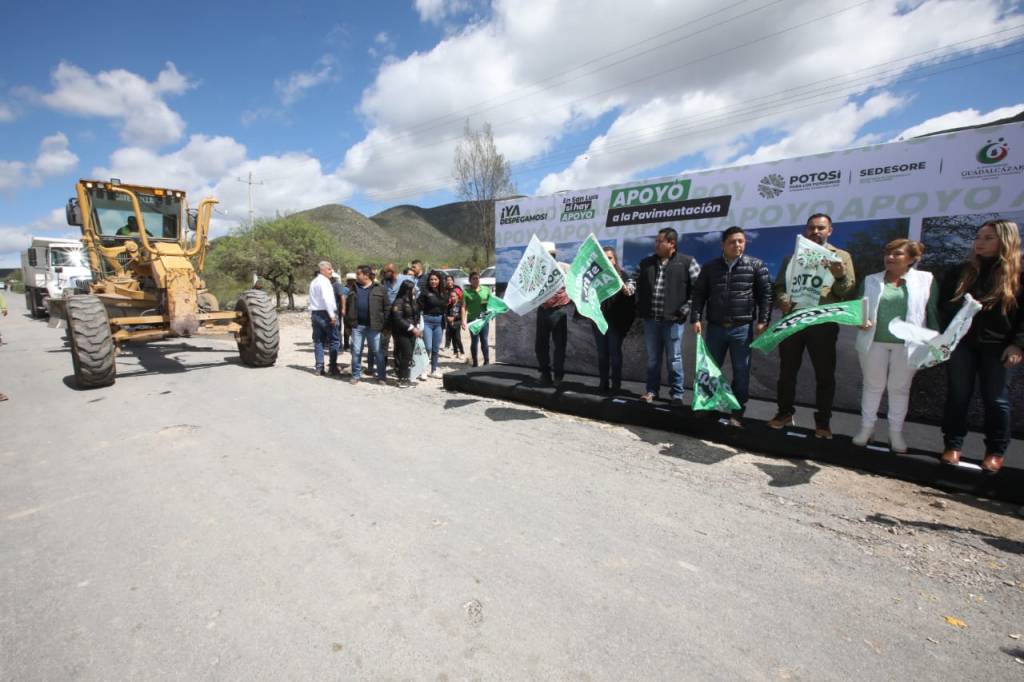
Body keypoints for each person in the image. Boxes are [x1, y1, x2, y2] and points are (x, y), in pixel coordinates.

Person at [938, 219, 1024, 472]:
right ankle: (952, 445)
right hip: (962, 343)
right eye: (978, 237)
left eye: (988, 238)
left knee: (996, 399)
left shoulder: (1018, 274)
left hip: (999, 346)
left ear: (1005, 240)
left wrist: (1018, 345)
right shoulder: (961, 271)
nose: (980, 243)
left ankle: (996, 451)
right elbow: (944, 306)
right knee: (958, 394)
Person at [769, 213, 856, 438]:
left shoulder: (841, 256)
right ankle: (784, 413)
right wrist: (783, 299)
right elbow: (780, 286)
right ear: (805, 230)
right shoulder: (792, 257)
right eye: (811, 228)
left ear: (830, 231)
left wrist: (840, 276)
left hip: (822, 322)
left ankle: (823, 423)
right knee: (787, 372)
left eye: (820, 228)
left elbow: (846, 292)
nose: (815, 232)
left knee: (824, 375)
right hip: (793, 321)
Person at [853, 240, 939, 453]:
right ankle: (867, 429)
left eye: (897, 254)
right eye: (887, 253)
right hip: (874, 342)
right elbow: (858, 308)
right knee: (872, 386)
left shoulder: (926, 280)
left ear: (912, 259)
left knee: (899, 389)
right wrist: (860, 321)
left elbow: (932, 312)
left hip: (909, 345)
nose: (890, 257)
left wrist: (936, 342)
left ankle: (895, 433)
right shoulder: (871, 280)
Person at [690, 226, 772, 426]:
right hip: (715, 328)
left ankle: (737, 410)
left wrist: (763, 321)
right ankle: (706, 405)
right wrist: (696, 317)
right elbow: (699, 293)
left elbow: (766, 296)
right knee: (710, 370)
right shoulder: (710, 267)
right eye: (732, 241)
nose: (737, 245)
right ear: (723, 245)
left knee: (741, 371)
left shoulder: (756, 265)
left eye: (740, 241)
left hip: (741, 329)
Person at [634, 227, 700, 405]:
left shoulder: (687, 262)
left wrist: (685, 309)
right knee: (653, 359)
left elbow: (699, 289)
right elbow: (634, 280)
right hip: (651, 321)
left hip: (673, 321)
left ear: (672, 243)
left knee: (674, 359)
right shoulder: (646, 262)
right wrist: (629, 288)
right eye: (656, 241)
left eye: (659, 241)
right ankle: (651, 391)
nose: (656, 244)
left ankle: (677, 395)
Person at [591, 247, 635, 394]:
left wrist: (626, 289)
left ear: (615, 260)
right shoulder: (595, 277)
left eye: (609, 257)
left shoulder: (622, 275)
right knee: (602, 354)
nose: (607, 260)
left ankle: (616, 385)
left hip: (615, 323)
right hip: (599, 322)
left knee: (615, 354)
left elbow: (631, 291)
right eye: (604, 258)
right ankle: (603, 383)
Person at [535, 242, 572, 387]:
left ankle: (558, 376)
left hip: (558, 311)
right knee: (540, 345)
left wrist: (569, 298)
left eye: (550, 255)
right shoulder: (537, 271)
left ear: (554, 255)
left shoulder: (564, 267)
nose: (548, 257)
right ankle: (545, 375)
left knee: (559, 346)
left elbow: (575, 283)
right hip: (542, 311)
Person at [345, 265, 389, 383]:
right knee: (356, 352)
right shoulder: (353, 288)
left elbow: (387, 308)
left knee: (378, 352)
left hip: (374, 327)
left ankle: (381, 376)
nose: (356, 276)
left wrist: (386, 326)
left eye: (358, 274)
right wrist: (347, 325)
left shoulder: (380, 288)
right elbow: (348, 308)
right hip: (357, 326)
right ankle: (355, 376)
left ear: (366, 275)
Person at [307, 260, 339, 376]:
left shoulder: (313, 282)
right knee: (334, 340)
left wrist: (311, 314)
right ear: (322, 270)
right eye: (329, 269)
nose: (331, 271)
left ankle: (319, 367)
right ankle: (333, 367)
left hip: (315, 313)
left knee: (318, 341)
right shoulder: (325, 282)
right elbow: (327, 299)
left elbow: (310, 300)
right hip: (326, 313)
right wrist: (332, 315)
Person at [390, 280, 422, 388]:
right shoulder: (399, 302)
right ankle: (402, 379)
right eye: (413, 288)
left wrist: (418, 326)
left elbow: (416, 315)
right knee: (406, 354)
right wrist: (412, 328)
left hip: (413, 332)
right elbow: (397, 318)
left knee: (410, 355)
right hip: (402, 332)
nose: (415, 290)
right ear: (407, 289)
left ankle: (406, 377)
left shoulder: (413, 301)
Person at [417, 270, 448, 379]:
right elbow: (418, 308)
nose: (433, 281)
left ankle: (434, 370)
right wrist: (417, 323)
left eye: (435, 279)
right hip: (427, 321)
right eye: (431, 279)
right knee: (428, 347)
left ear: (439, 280)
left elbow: (447, 307)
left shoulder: (444, 293)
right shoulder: (424, 292)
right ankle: (423, 370)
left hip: (439, 322)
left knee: (435, 348)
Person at [461, 271, 492, 367]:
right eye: (473, 278)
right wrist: (463, 321)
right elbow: (463, 307)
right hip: (473, 320)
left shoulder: (486, 289)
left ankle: (486, 362)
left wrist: (491, 313)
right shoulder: (466, 292)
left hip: (484, 319)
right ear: (470, 280)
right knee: (474, 341)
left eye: (477, 278)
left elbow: (491, 303)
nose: (476, 280)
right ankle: (475, 363)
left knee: (484, 340)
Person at [444, 274, 465, 359]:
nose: (452, 298)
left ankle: (462, 352)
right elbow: (446, 313)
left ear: (457, 296)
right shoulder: (449, 305)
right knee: (452, 336)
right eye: (451, 296)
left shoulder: (460, 304)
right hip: (450, 322)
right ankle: (455, 351)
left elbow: (461, 314)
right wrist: (447, 318)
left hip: (457, 322)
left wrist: (456, 319)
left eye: (454, 296)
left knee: (457, 338)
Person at [342, 273, 357, 351]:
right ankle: (346, 345)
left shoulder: (355, 289)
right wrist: (344, 310)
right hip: (347, 311)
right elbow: (343, 300)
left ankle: (352, 344)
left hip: (354, 311)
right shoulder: (345, 289)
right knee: (347, 328)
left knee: (353, 328)